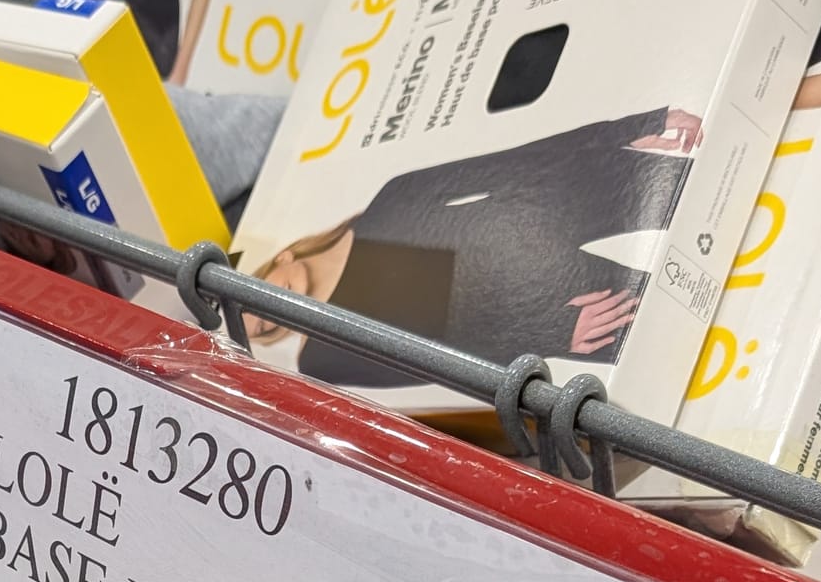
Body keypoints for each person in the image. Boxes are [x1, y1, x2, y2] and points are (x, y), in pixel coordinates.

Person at [248, 105, 702, 385]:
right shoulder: (324, 357)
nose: (273, 311)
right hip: (558, 309)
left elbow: (509, 165)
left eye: (259, 299)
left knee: (717, 197)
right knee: (686, 328)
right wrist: (549, 333)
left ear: (276, 260)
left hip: (570, 200)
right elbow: (439, 364)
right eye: (264, 325)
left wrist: (629, 128)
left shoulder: (392, 197)